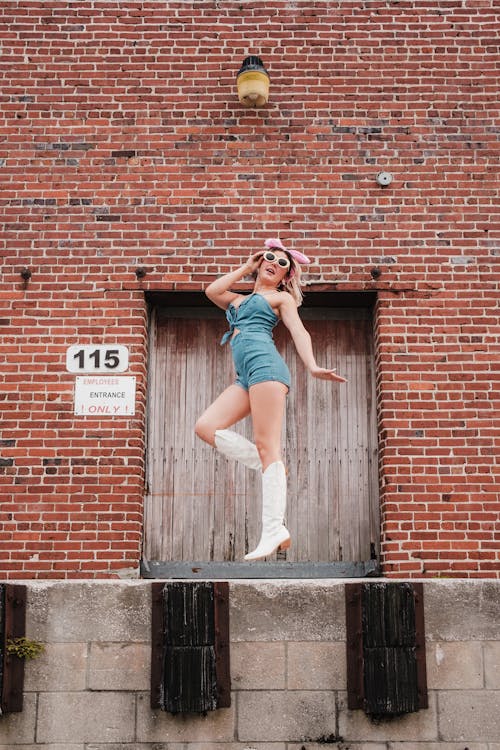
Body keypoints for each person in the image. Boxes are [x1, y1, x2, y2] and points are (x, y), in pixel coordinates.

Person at [195, 238, 347, 561]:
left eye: (282, 264)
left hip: (267, 368)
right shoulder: (236, 300)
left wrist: (313, 365)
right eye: (269, 258)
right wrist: (246, 267)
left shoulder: (281, 300)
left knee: (268, 446)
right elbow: (212, 291)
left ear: (286, 277)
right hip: (245, 377)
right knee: (205, 427)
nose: (273, 264)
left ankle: (274, 528)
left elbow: (299, 331)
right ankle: (269, 465)